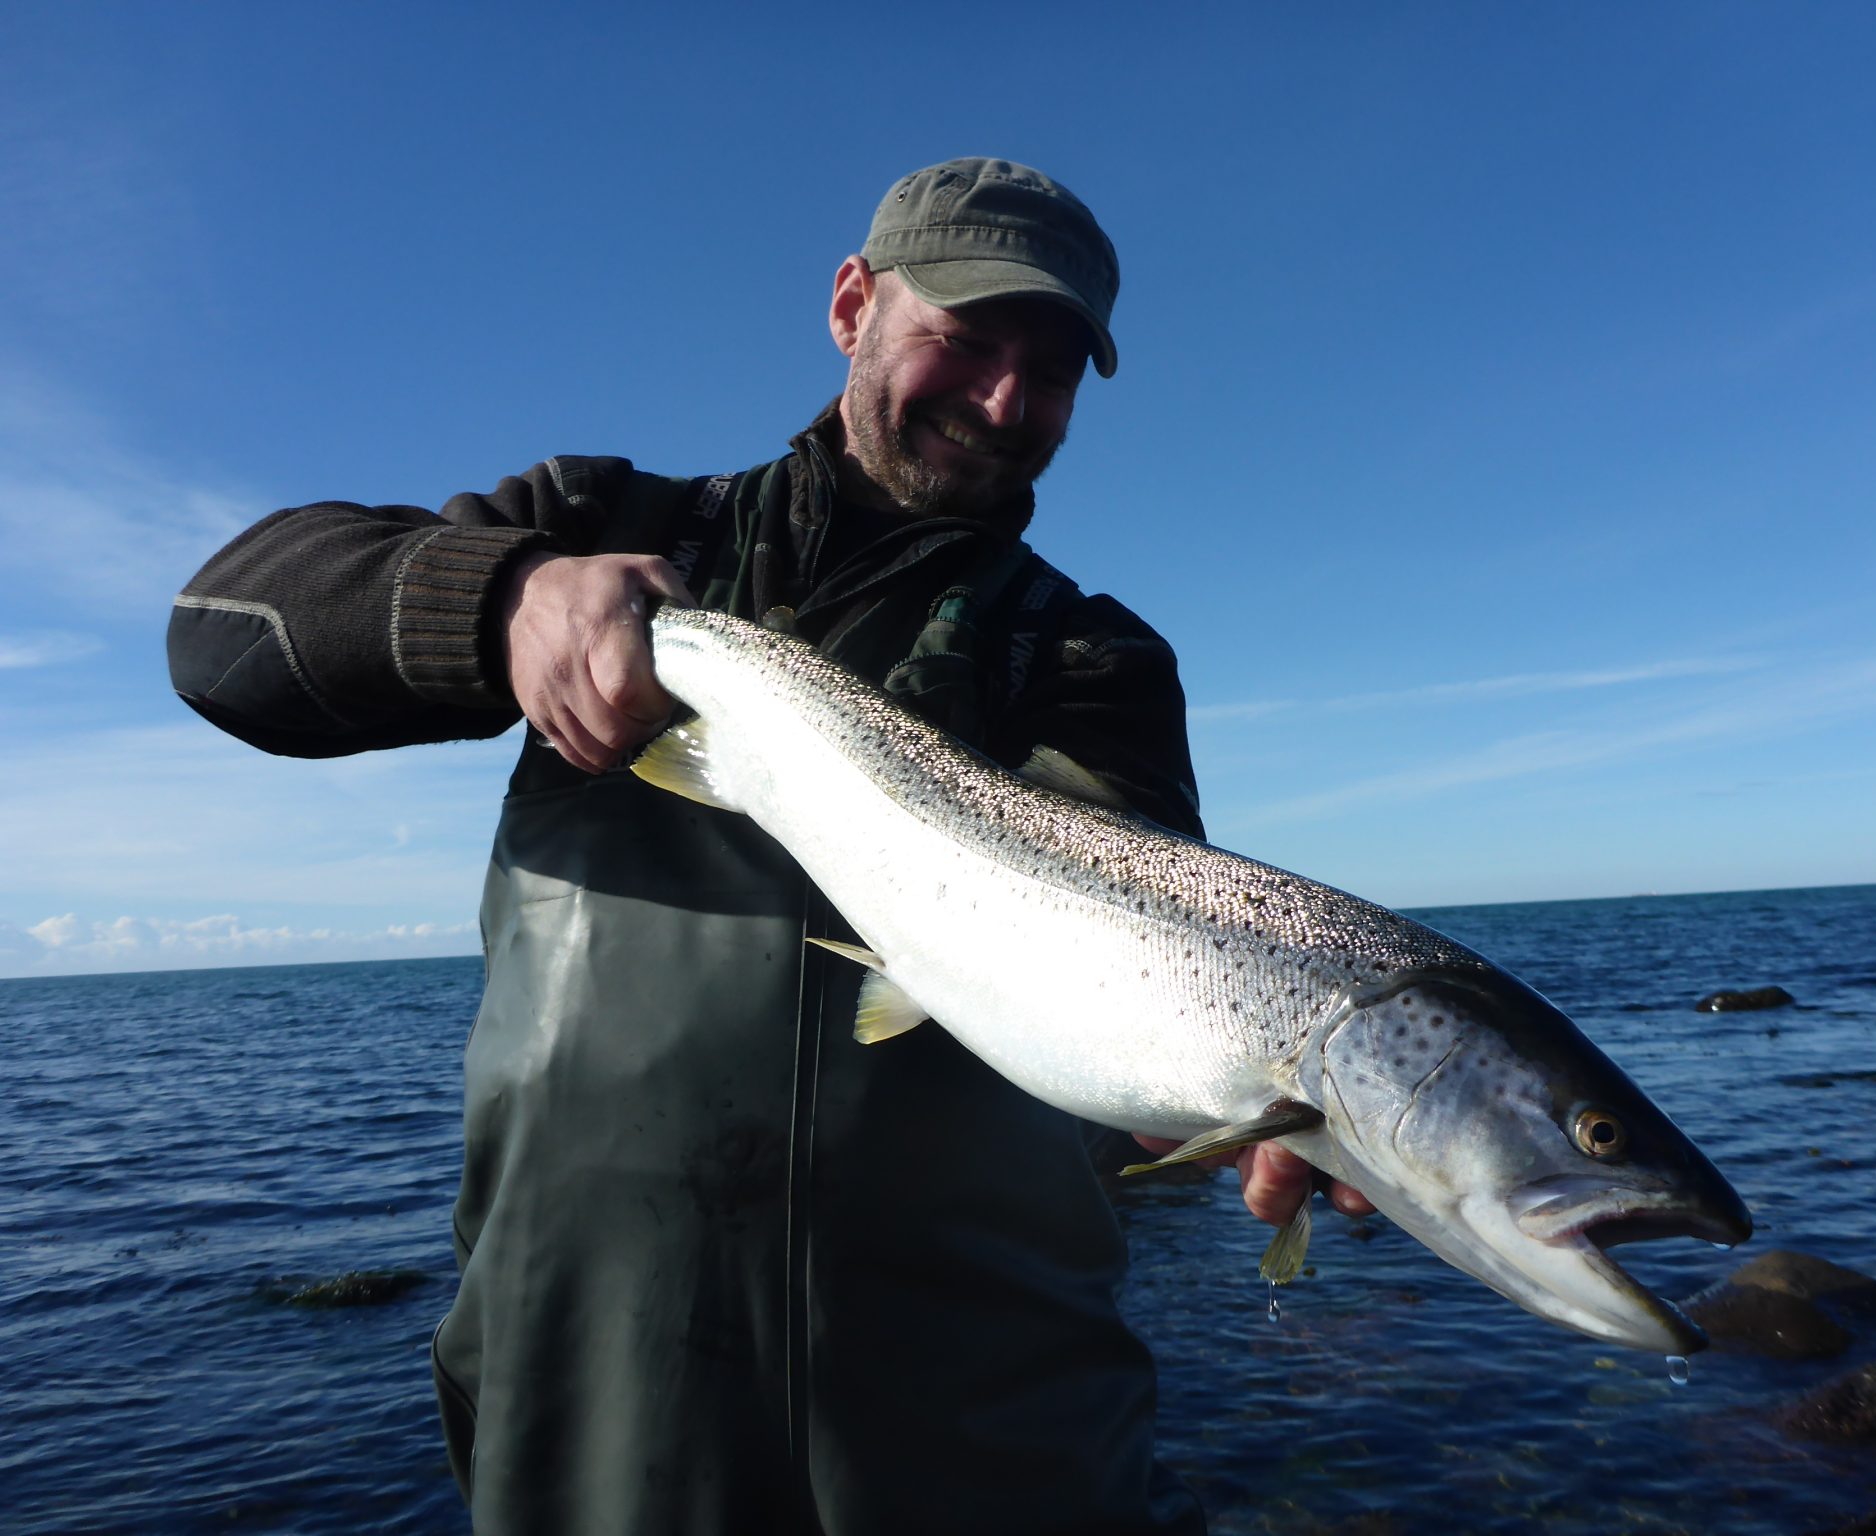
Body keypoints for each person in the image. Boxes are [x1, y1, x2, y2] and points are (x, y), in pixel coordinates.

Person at [167, 157, 1368, 1536]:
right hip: (588, 1378)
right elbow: (223, 635)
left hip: (989, 1410)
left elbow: (1128, 951)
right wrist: (502, 594)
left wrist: (1238, 1093)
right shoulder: (617, 532)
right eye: (965, 341)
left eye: (1048, 374)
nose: (1001, 404)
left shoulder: (1091, 654)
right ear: (853, 304)